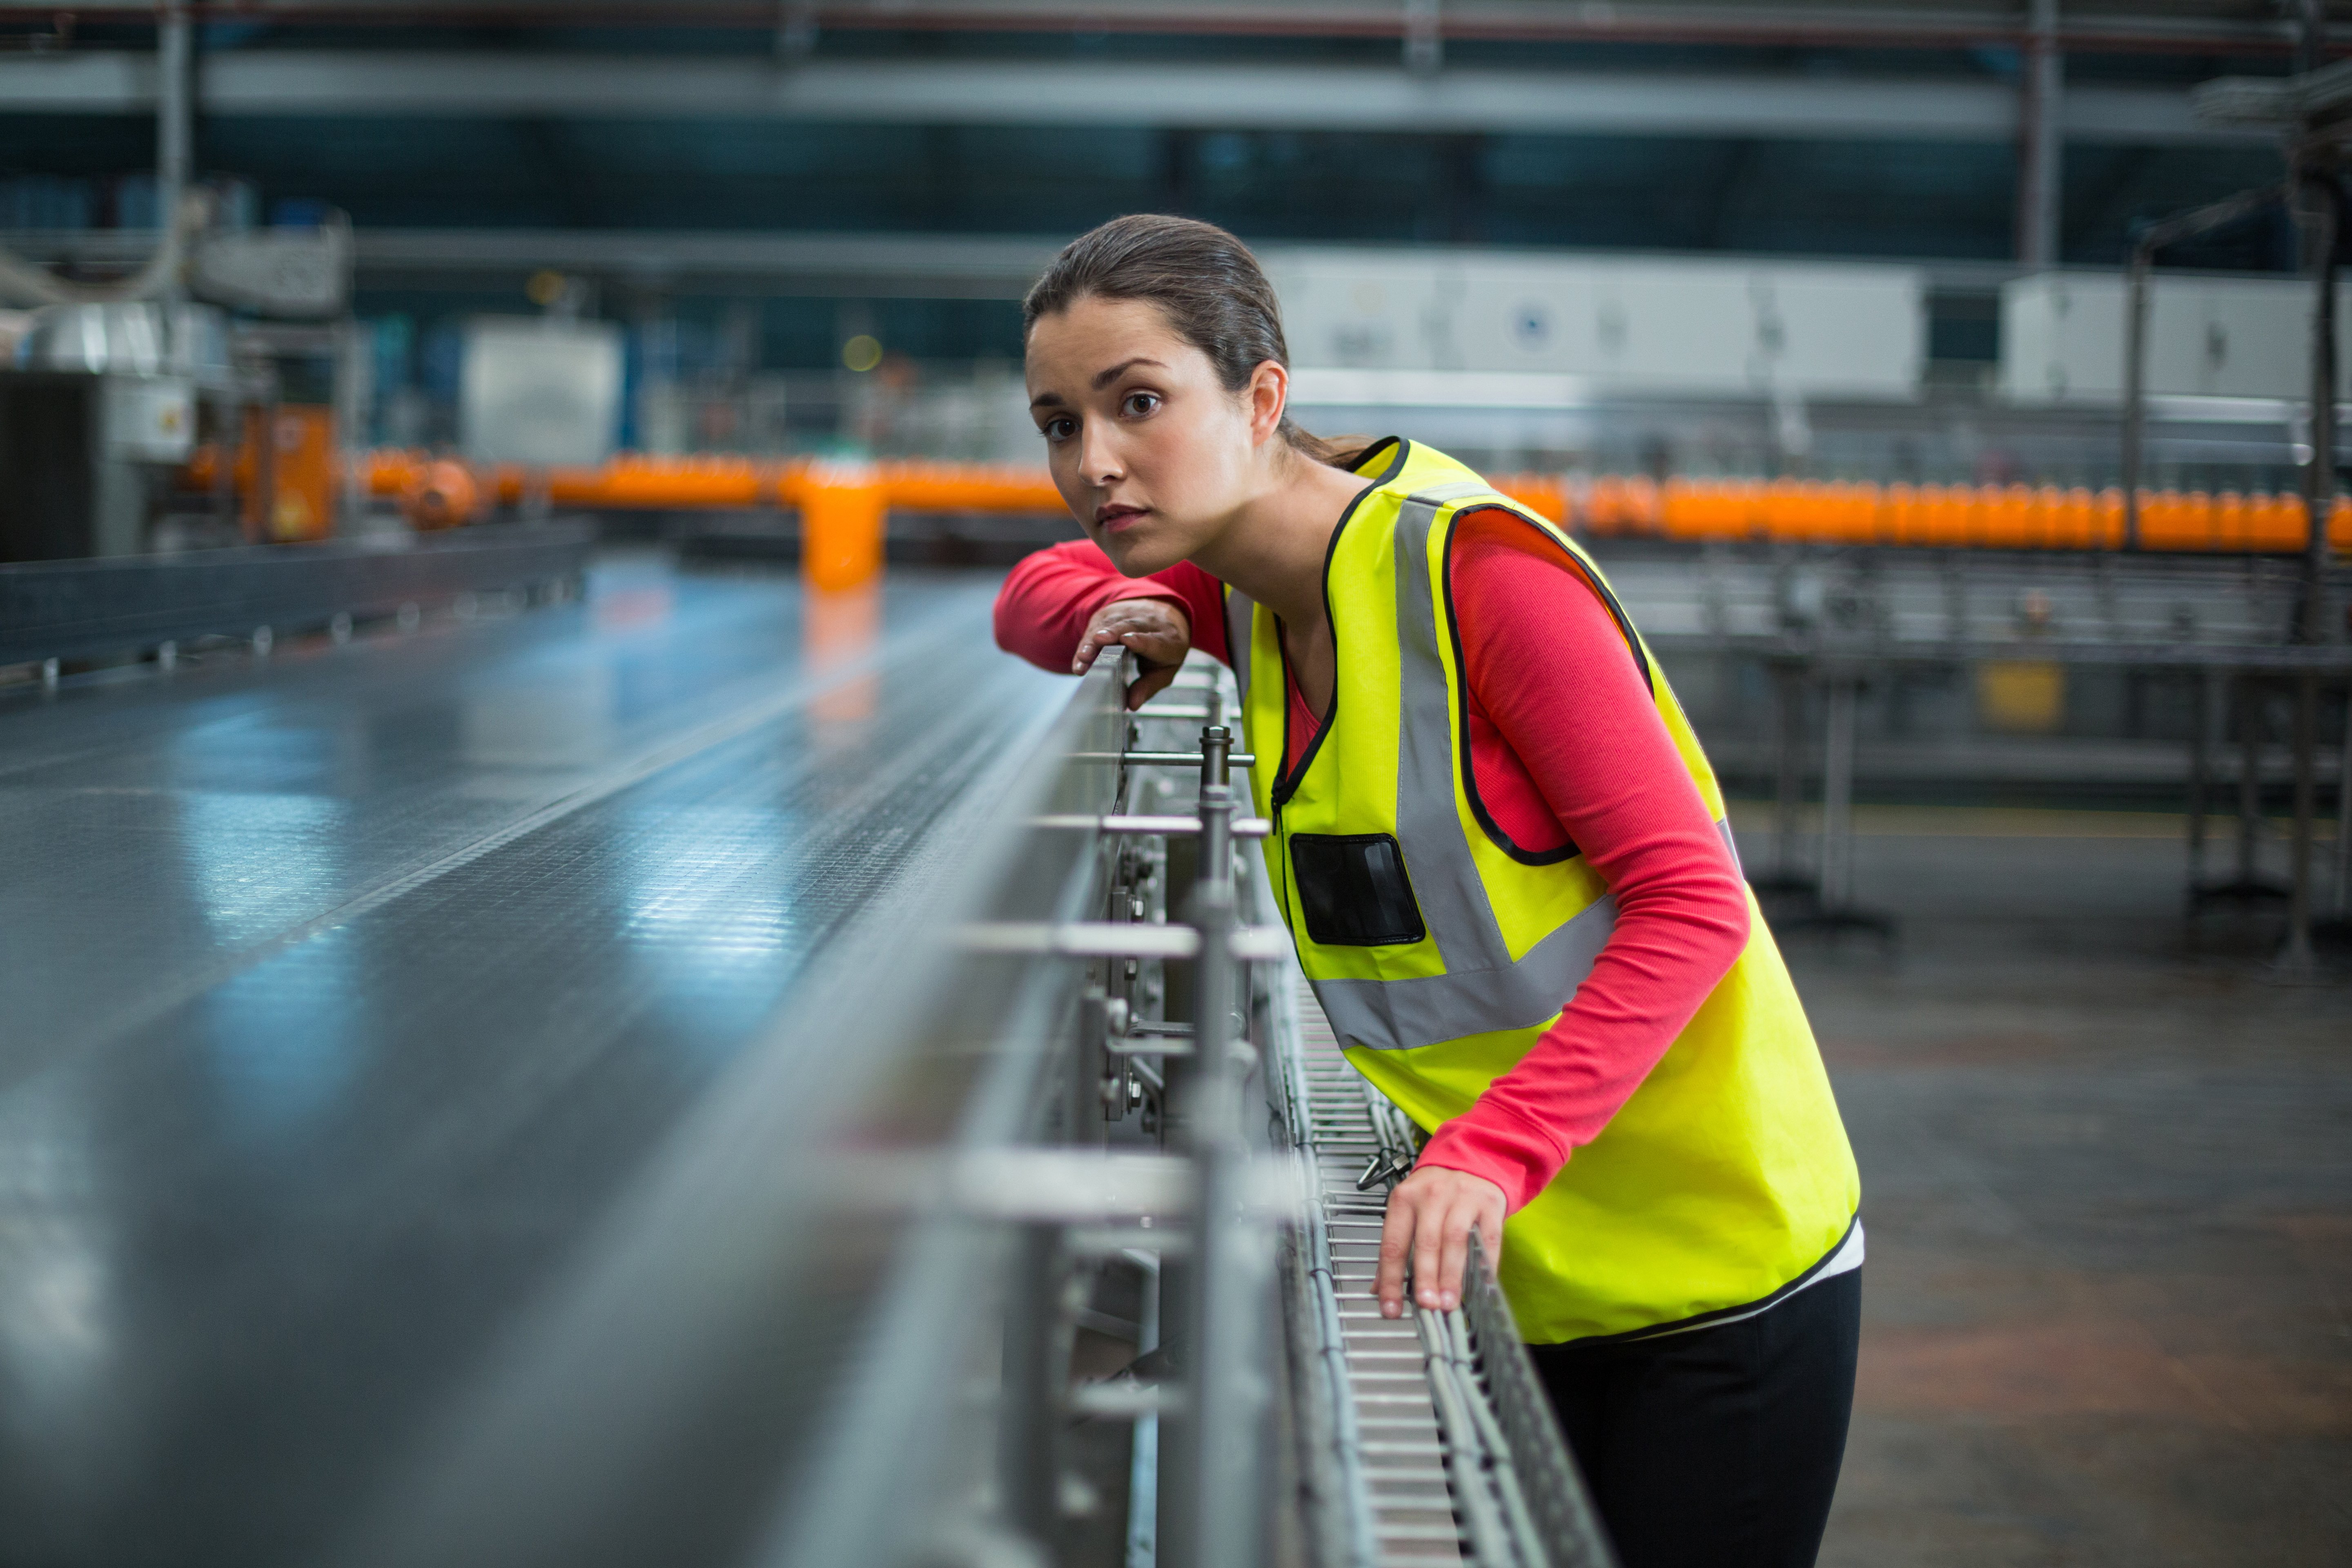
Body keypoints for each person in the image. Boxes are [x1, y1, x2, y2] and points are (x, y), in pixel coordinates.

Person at [993, 214, 1862, 1568]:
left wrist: (1493, 1149)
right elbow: (1031, 595)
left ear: (1262, 395)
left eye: (1139, 403)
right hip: (1514, 1272)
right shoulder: (1251, 595)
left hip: (1710, 1272)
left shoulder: (1476, 581)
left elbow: (1695, 905)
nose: (1093, 461)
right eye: (1059, 423)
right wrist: (1128, 614)